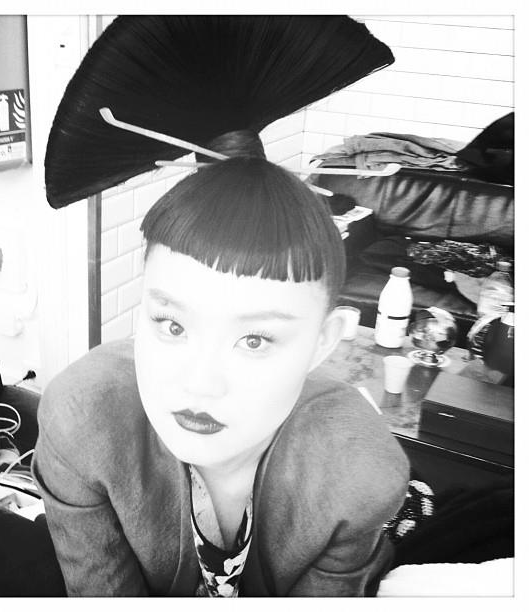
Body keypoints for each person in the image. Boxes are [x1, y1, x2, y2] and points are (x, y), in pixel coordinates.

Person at [32, 129, 410, 597]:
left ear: (322, 342)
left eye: (254, 340)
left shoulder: (356, 474)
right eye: (172, 325)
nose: (200, 383)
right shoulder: (82, 421)